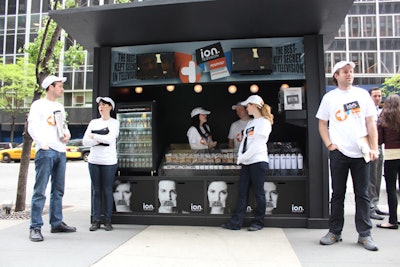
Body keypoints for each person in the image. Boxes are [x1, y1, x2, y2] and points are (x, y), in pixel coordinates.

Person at [316, 60, 379, 251]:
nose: (349, 74)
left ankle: (365, 235)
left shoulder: (361, 94)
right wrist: (329, 144)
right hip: (339, 152)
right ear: (336, 75)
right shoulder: (329, 97)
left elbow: (370, 123)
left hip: (361, 152)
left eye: (351, 71)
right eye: (345, 71)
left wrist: (374, 147)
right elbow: (322, 123)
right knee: (337, 194)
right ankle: (334, 231)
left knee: (363, 194)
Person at [27, 75, 76, 242]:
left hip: (60, 151)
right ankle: (35, 227)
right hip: (46, 151)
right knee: (40, 191)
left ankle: (56, 223)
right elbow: (32, 126)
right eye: (60, 86)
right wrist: (42, 143)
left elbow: (63, 126)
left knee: (58, 190)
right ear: (50, 87)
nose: (62, 89)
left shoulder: (59, 107)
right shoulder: (38, 105)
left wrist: (67, 135)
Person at [222, 94, 274, 231]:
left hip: (258, 161)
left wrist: (242, 158)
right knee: (242, 192)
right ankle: (236, 222)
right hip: (247, 162)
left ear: (254, 106)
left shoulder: (264, 122)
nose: (246, 108)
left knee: (259, 192)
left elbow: (257, 145)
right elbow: (245, 142)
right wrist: (241, 156)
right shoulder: (251, 123)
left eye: (248, 106)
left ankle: (258, 222)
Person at [83, 96, 119, 231]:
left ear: (110, 107)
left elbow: (110, 139)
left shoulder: (114, 123)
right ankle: (96, 220)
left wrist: (94, 137)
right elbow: (85, 142)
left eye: (104, 104)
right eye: (100, 105)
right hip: (93, 161)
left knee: (107, 190)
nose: (101, 107)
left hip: (109, 161)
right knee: (96, 191)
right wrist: (99, 139)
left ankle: (108, 220)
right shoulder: (93, 122)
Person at [376, 94, 400, 230]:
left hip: (391, 156)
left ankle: (393, 220)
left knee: (391, 189)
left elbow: (379, 141)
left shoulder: (383, 119)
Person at [368, 87, 388, 220]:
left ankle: (375, 203)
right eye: (375, 96)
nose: (378, 98)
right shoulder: (368, 111)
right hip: (370, 146)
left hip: (379, 146)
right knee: (371, 177)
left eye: (379, 96)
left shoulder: (379, 111)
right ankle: (370, 207)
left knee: (378, 176)